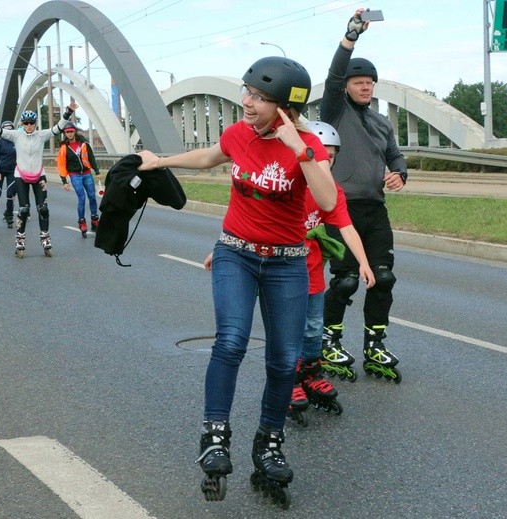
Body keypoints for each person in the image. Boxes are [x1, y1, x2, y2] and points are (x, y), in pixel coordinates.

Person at [139, 56, 337, 506]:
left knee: (285, 361)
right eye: (247, 92)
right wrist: (159, 161)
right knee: (231, 341)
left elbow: (326, 200)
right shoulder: (238, 134)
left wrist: (299, 149)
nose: (247, 102)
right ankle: (214, 436)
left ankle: (268, 444)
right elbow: (210, 156)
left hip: (287, 262)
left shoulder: (307, 144)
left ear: (285, 106)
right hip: (236, 253)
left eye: (260, 98)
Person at [320, 8, 407, 383]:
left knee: (383, 278)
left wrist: (400, 173)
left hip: (374, 209)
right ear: (347, 86)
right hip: (341, 209)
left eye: (370, 82)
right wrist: (351, 37)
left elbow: (394, 155)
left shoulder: (381, 121)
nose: (365, 86)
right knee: (346, 280)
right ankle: (329, 342)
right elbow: (333, 74)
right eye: (358, 81)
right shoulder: (334, 112)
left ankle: (375, 343)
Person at [288, 121, 376, 426]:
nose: (326, 161)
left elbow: (347, 227)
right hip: (282, 272)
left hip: (312, 272)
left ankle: (310, 374)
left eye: (331, 156)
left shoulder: (331, 191)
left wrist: (364, 262)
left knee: (313, 329)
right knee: (289, 329)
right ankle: (288, 380)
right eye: (319, 155)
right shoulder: (290, 183)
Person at [0, 102, 78, 257]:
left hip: (39, 175)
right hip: (21, 175)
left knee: (42, 208)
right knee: (24, 209)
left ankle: (44, 236)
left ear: (35, 124)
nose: (29, 126)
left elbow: (58, 128)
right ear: (22, 124)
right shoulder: (16, 135)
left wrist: (68, 112)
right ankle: (20, 238)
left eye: (32, 123)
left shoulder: (41, 135)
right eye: (26, 123)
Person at [57, 121, 101, 237]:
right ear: (65, 133)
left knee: (92, 196)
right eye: (67, 132)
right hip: (75, 175)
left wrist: (97, 171)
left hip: (87, 173)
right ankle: (82, 221)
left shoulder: (84, 144)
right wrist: (64, 181)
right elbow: (61, 165)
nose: (70, 134)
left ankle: (94, 219)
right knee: (81, 198)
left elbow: (91, 157)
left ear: (75, 131)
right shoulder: (64, 148)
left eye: (71, 131)